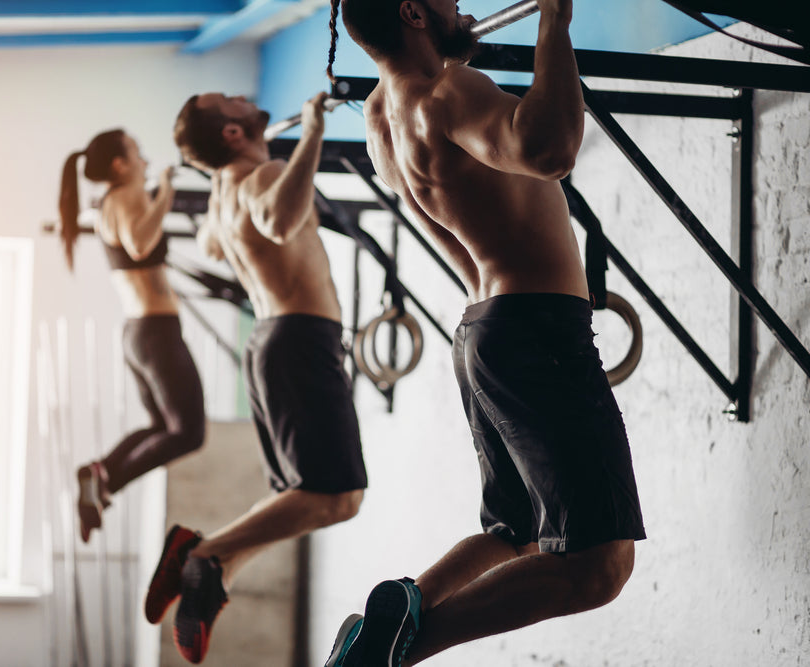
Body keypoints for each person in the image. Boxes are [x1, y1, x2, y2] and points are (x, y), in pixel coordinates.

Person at [322, 0, 646, 665]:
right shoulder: (445, 93)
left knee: (514, 529)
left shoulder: (385, 113)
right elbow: (550, 149)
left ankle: (397, 609)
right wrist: (554, 22)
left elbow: (471, 166)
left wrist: (458, 45)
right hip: (535, 330)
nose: (461, 5)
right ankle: (396, 649)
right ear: (412, 11)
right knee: (599, 565)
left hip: (483, 329)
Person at [143, 92, 368, 664]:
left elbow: (214, 242)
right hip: (298, 340)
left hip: (271, 341)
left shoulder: (225, 191)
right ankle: (206, 553)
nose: (246, 100)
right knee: (337, 498)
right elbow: (278, 218)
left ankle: (217, 568)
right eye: (233, 103)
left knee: (309, 498)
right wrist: (312, 134)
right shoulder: (262, 173)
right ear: (234, 135)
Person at [58, 129, 206, 543]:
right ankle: (106, 479)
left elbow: (136, 241)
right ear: (121, 165)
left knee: (162, 425)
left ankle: (99, 473)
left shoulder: (111, 201)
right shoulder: (126, 195)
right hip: (155, 333)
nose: (144, 158)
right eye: (137, 152)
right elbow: (141, 245)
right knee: (188, 433)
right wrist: (167, 190)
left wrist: (158, 191)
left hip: (140, 334)